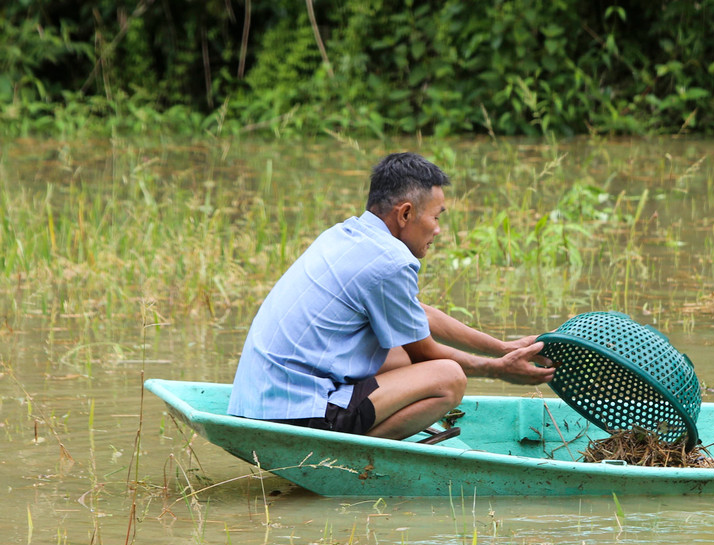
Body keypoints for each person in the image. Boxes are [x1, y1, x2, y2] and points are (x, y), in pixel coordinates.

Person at [229, 151, 554, 440]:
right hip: (298, 412)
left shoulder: (346, 234)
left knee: (397, 354)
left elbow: (418, 313)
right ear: (405, 214)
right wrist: (497, 368)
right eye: (436, 217)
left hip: (259, 399)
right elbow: (427, 354)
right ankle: (353, 457)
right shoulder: (391, 260)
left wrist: (502, 347)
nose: (438, 229)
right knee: (449, 377)